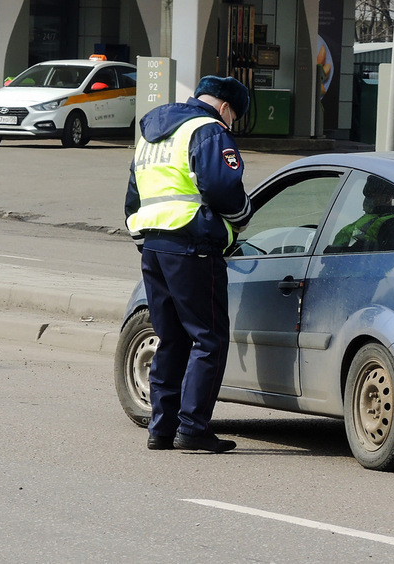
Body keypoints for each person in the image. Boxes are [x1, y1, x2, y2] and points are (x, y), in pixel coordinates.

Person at [124, 76, 253, 453]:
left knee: (172, 337)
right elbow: (222, 187)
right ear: (226, 107)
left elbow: (133, 195)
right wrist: (242, 217)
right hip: (193, 245)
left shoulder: (151, 135)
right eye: (234, 117)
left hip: (154, 247)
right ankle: (193, 428)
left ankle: (161, 430)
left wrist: (146, 241)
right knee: (208, 337)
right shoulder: (208, 129)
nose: (230, 125)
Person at [329, 176, 394, 253]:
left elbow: (385, 257)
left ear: (387, 198)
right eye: (366, 196)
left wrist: (358, 248)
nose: (367, 200)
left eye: (371, 196)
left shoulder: (393, 223)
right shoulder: (372, 217)